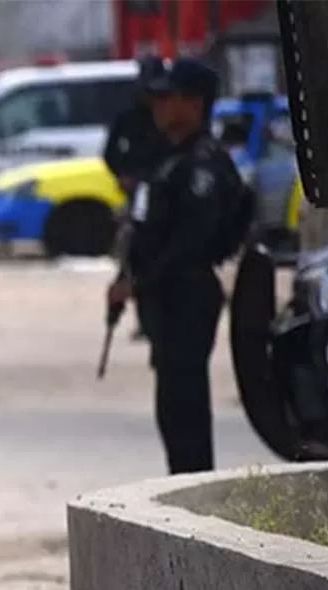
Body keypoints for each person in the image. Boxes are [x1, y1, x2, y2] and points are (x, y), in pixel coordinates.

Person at [107, 57, 245, 475]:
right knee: (171, 406)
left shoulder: (201, 164)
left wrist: (140, 280)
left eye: (168, 97)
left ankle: (195, 497)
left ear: (195, 103)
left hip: (186, 295)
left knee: (185, 409)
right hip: (164, 299)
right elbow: (145, 228)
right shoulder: (166, 157)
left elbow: (191, 243)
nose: (158, 106)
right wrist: (126, 275)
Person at [103, 54, 171, 341]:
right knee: (136, 254)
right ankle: (146, 318)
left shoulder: (169, 110)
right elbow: (110, 152)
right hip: (137, 191)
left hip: (167, 192)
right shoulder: (128, 113)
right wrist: (123, 175)